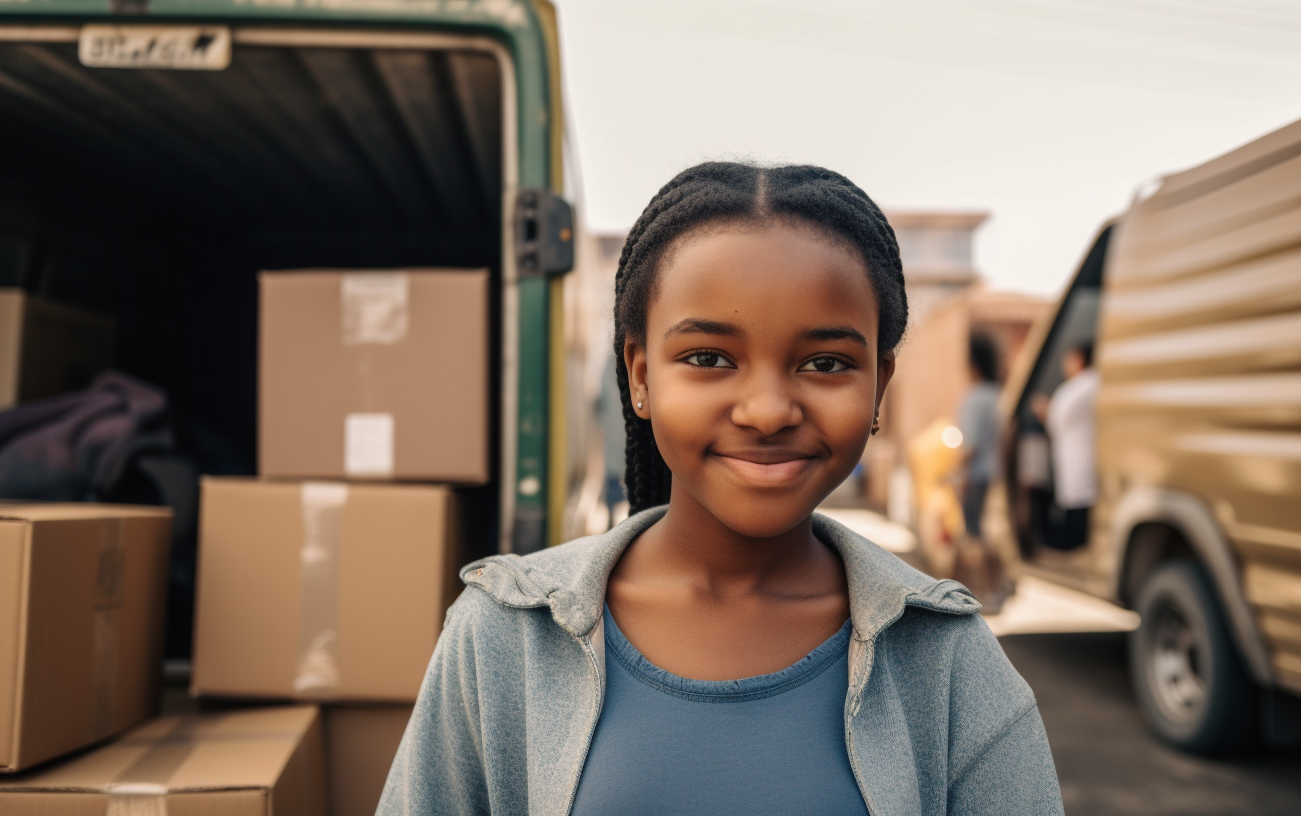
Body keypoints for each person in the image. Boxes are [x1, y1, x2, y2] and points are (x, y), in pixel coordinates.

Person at [378, 163, 1063, 816]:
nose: (767, 410)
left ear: (879, 385)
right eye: (708, 358)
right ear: (640, 375)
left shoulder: (950, 664)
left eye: (825, 363)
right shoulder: (503, 638)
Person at [1036, 342, 1099, 550]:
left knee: (1079, 508)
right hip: (1081, 454)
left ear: (1079, 359)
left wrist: (1045, 410)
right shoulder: (1089, 384)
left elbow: (1056, 417)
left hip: (1080, 456)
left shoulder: (1080, 386)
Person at [957, 334, 1001, 541]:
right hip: (996, 472)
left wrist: (959, 473)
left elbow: (971, 446)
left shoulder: (975, 398)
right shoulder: (998, 394)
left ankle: (975, 573)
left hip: (976, 474)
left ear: (973, 366)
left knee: (973, 533)